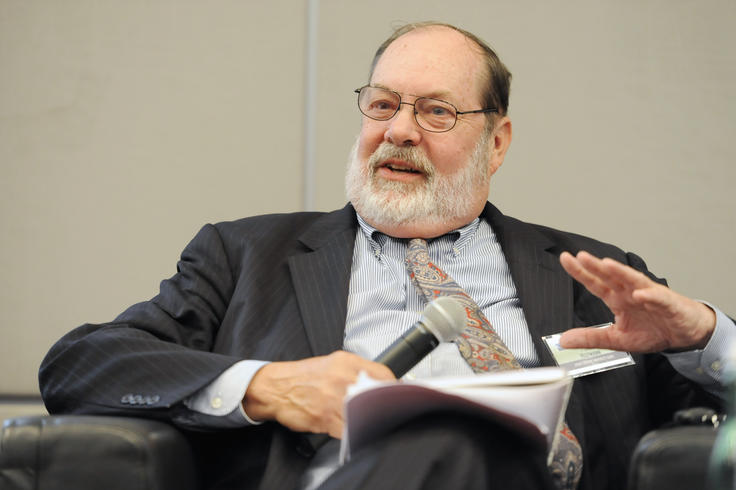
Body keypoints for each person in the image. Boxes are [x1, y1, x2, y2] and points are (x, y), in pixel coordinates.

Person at [39, 22, 734, 490]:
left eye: (435, 111)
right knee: (445, 436)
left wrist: (703, 337)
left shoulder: (593, 275)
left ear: (496, 143)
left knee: (462, 439)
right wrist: (268, 385)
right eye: (382, 105)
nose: (399, 130)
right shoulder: (245, 254)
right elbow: (80, 365)